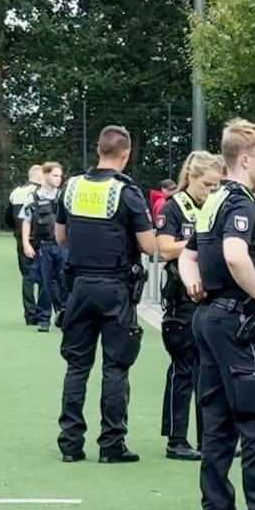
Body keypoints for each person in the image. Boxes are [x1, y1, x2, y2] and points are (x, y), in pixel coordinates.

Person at [183, 120, 255, 510]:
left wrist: (191, 277)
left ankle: (217, 507)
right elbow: (237, 255)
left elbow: (188, 253)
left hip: (209, 317)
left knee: (217, 415)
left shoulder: (213, 199)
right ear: (245, 159)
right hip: (239, 318)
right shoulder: (241, 203)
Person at [54, 126, 156, 463]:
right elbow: (147, 245)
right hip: (115, 288)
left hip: (80, 285)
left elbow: (60, 237)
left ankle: (70, 444)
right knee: (116, 367)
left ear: (98, 149)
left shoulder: (71, 187)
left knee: (77, 366)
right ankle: (111, 445)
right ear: (125, 153)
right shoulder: (128, 193)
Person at [154, 150, 224, 461]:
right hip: (183, 301)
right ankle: (176, 439)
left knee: (208, 372)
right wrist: (202, 241)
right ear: (191, 177)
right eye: (207, 183)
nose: (211, 190)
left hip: (210, 298)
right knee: (183, 371)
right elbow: (164, 248)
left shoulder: (214, 205)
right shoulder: (174, 207)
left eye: (215, 185)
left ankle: (208, 438)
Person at [21, 162, 66, 332]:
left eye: (60, 176)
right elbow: (25, 220)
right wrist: (26, 243)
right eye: (55, 175)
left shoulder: (63, 196)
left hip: (62, 246)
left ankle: (64, 315)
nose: (58, 179)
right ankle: (43, 319)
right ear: (45, 175)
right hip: (44, 245)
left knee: (64, 282)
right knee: (45, 283)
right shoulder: (33, 197)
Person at [9, 165, 44, 325]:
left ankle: (30, 315)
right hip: (40, 239)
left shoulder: (15, 192)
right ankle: (43, 313)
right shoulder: (42, 193)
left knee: (27, 277)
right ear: (38, 177)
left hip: (21, 240)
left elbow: (8, 218)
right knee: (46, 277)